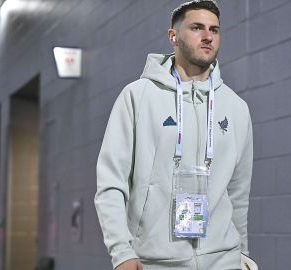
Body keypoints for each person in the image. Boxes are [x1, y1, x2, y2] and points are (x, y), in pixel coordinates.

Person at [94, 1, 253, 269]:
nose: (207, 36)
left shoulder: (236, 107)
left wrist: (242, 254)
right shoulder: (137, 96)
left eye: (214, 29)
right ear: (173, 36)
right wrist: (121, 251)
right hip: (155, 262)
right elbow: (111, 184)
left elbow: (238, 193)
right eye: (196, 27)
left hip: (224, 260)